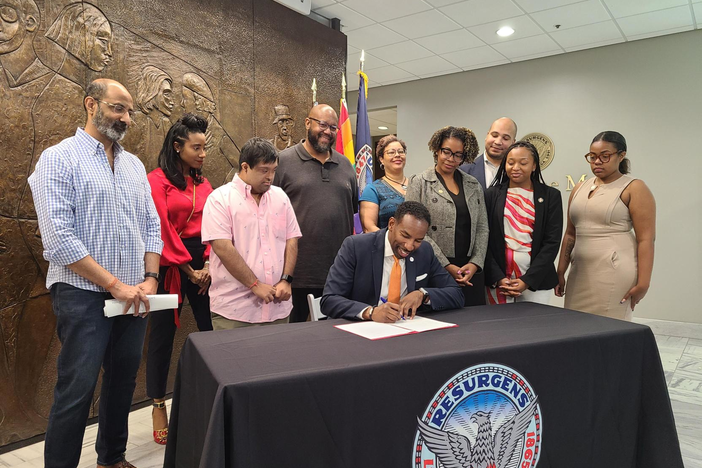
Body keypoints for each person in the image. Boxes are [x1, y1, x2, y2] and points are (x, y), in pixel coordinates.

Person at [28, 79, 162, 468]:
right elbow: (58, 238)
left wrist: (149, 279)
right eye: (118, 108)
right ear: (91, 104)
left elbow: (151, 226)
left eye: (130, 111)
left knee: (121, 383)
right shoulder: (59, 158)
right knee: (77, 388)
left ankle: (112, 459)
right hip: (82, 293)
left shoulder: (135, 165)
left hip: (135, 293)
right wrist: (114, 285)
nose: (126, 118)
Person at [145, 113, 213, 446]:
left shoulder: (204, 183)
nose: (202, 154)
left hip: (205, 265)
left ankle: (216, 398)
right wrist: (189, 269)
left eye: (205, 147)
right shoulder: (156, 180)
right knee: (162, 336)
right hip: (170, 265)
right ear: (177, 147)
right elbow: (160, 227)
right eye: (196, 147)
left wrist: (211, 265)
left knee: (212, 330)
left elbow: (217, 226)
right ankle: (158, 403)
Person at [202, 137, 301, 329]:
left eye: (273, 170)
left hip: (278, 307)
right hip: (234, 310)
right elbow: (222, 248)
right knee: (233, 360)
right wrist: (254, 285)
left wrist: (286, 279)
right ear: (245, 167)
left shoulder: (280, 197)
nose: (270, 177)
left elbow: (291, 239)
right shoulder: (220, 199)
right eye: (264, 170)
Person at [556, 131, 656, 320]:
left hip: (615, 272)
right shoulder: (579, 188)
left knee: (608, 331)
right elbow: (570, 234)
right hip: (580, 272)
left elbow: (646, 239)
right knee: (574, 328)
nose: (597, 161)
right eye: (592, 157)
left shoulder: (634, 187)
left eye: (605, 156)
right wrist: (561, 269)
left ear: (621, 155)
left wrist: (644, 283)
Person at [274, 104, 357, 322]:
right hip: (297, 273)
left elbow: (351, 210)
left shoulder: (346, 165)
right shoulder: (283, 162)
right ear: (307, 123)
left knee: (337, 338)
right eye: (322, 125)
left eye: (333, 127)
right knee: (296, 339)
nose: (327, 132)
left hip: (339, 271)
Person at [322, 201, 463, 320]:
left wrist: (423, 294)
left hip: (405, 333)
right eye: (405, 235)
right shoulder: (356, 247)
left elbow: (456, 294)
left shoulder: (424, 251)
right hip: (359, 332)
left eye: (418, 240)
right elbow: (330, 300)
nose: (409, 246)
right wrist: (371, 312)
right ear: (391, 224)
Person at [406, 126, 489, 307]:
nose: (451, 159)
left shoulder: (473, 184)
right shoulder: (419, 182)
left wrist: (475, 263)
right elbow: (414, 230)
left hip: (469, 270)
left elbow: (482, 226)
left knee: (476, 325)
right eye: (447, 152)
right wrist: (446, 266)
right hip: (435, 267)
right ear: (437, 150)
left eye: (458, 154)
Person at [484, 141, 563, 305]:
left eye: (523, 163)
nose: (516, 167)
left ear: (534, 165)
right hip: (499, 281)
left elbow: (551, 243)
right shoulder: (491, 195)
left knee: (534, 329)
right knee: (497, 328)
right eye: (511, 162)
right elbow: (485, 240)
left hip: (536, 281)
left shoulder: (550, 196)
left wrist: (527, 280)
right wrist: (498, 278)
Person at [359, 134, 407, 232]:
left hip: (419, 245)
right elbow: (369, 228)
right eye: (391, 152)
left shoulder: (417, 184)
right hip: (387, 245)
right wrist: (393, 242)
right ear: (381, 159)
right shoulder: (372, 189)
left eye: (401, 151)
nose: (397, 155)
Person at [459, 117, 517, 190]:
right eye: (494, 135)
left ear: (513, 143)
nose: (498, 142)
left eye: (505, 138)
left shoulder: (517, 174)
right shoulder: (463, 171)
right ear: (487, 135)